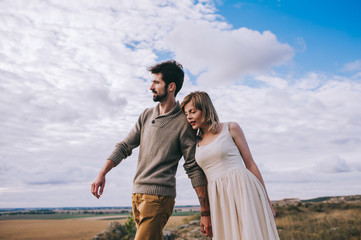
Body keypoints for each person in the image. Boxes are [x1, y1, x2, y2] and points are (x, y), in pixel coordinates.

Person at [91, 61, 212, 240]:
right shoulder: (146, 115)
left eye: (156, 82)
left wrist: (205, 212)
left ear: (171, 87)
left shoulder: (183, 122)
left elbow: (192, 167)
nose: (151, 87)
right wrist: (102, 173)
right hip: (137, 194)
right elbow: (124, 146)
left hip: (159, 198)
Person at [181, 91, 280, 240]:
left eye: (192, 112)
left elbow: (250, 164)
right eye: (186, 113)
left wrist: (267, 201)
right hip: (218, 197)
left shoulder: (231, 128)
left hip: (242, 189)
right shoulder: (194, 142)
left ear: (205, 109)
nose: (188, 117)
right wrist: (205, 212)